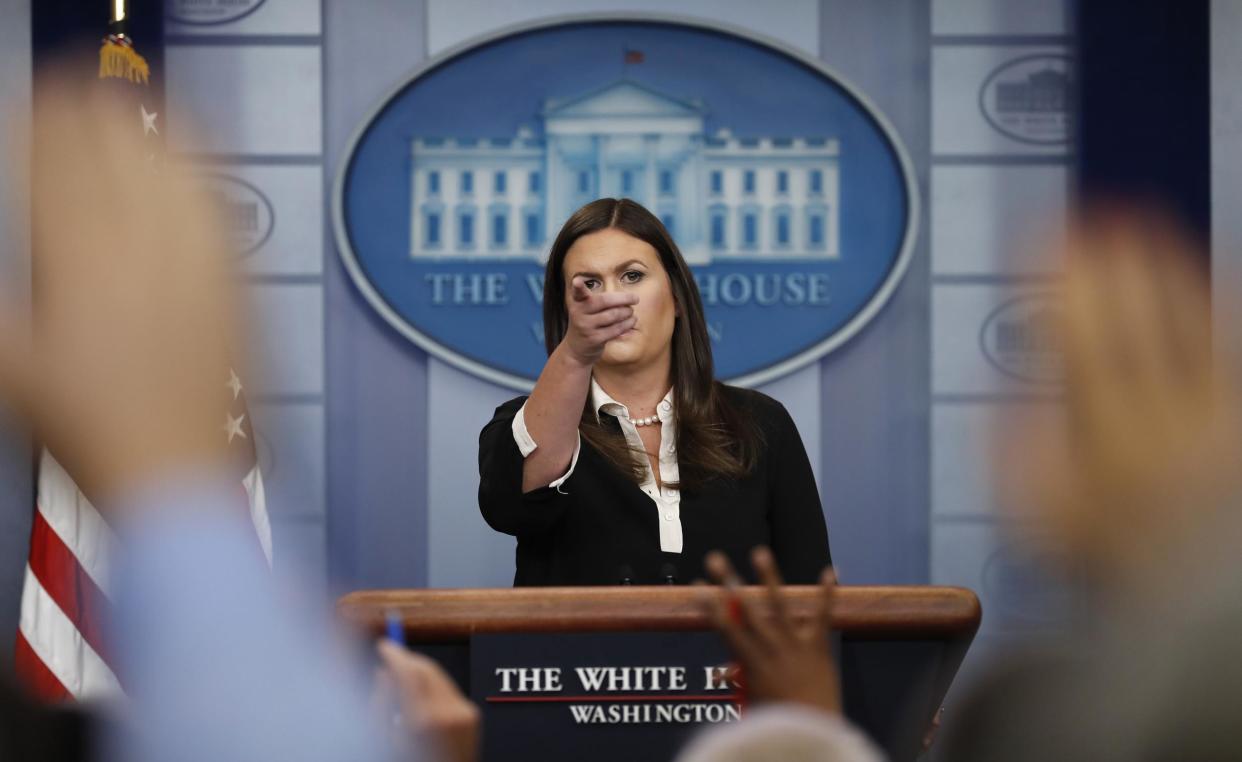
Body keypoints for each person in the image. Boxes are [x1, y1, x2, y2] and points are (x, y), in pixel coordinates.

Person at [478, 199, 831, 586]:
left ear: (677, 298)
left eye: (632, 276)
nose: (613, 299)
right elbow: (511, 508)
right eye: (589, 284)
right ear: (566, 312)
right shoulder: (526, 425)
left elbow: (811, 592)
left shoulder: (761, 423)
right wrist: (576, 355)